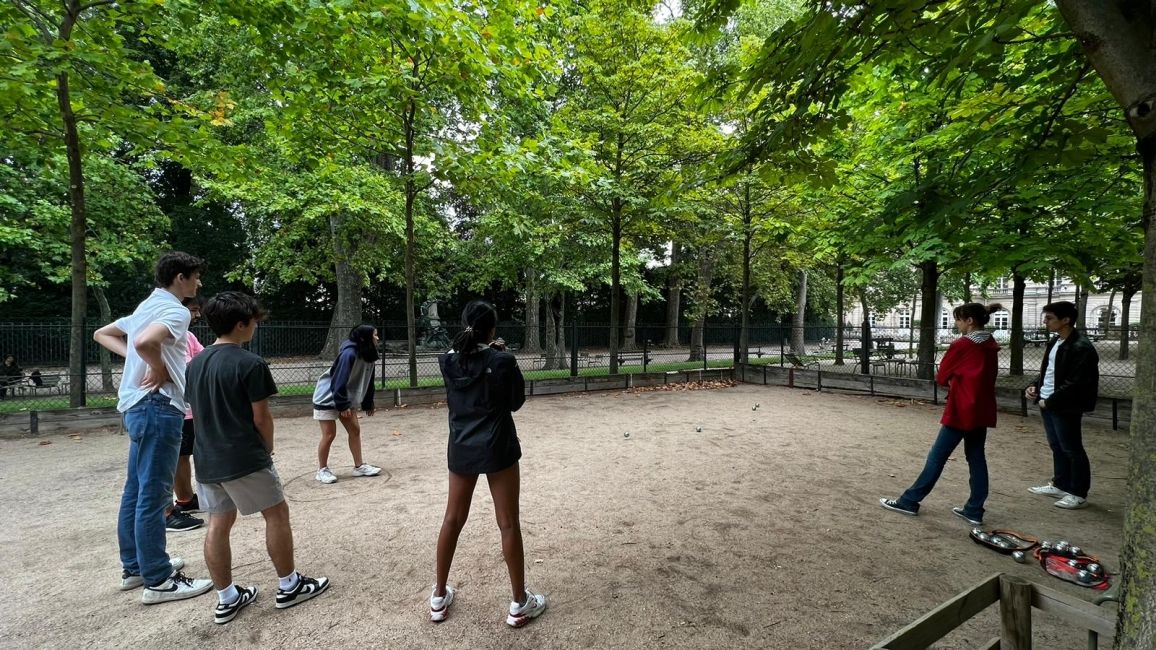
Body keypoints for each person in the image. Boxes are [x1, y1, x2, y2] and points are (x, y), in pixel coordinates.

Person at [186, 291, 330, 624]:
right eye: (252, 321)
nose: (255, 326)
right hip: (243, 456)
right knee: (276, 514)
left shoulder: (195, 364)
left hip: (207, 459)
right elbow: (261, 417)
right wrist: (266, 449)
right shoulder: (250, 363)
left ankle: (227, 597)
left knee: (218, 523)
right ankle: (289, 585)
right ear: (241, 324)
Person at [92, 251, 213, 604]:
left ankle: (135, 567)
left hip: (135, 406)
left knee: (136, 490)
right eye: (195, 276)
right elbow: (145, 343)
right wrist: (156, 365)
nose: (198, 283)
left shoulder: (146, 307)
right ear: (180, 277)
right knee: (154, 494)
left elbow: (104, 334)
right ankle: (159, 579)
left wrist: (138, 358)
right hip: (159, 407)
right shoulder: (174, 310)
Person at [429, 300, 546, 627]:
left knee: (452, 519)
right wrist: (502, 356)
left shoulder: (448, 362)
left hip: (462, 446)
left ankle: (438, 597)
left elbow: (464, 356)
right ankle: (519, 603)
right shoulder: (502, 360)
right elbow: (516, 402)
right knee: (508, 522)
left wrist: (490, 351)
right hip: (497, 446)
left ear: (465, 324)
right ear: (493, 329)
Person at [880, 303, 1002, 526]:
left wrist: (956, 383)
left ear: (969, 321)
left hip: (962, 408)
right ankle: (974, 509)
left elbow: (942, 376)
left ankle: (910, 501)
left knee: (937, 457)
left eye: (958, 319)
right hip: (981, 408)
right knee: (976, 458)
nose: (957, 324)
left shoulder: (962, 345)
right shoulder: (990, 344)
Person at [1025, 301, 1100, 509]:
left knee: (1072, 448)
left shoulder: (1081, 347)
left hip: (1064, 405)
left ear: (1066, 320)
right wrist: (1033, 386)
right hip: (1048, 402)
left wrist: (1049, 401)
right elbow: (1048, 372)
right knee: (1057, 446)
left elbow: (1076, 382)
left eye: (1049, 318)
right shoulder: (1055, 342)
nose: (1045, 322)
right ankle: (1060, 484)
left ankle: (1078, 493)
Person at [312, 324, 382, 484]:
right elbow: (338, 380)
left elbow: (368, 379)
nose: (378, 338)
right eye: (375, 335)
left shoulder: (369, 354)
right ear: (364, 338)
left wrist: (368, 401)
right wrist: (342, 405)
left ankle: (359, 466)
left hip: (345, 397)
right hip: (328, 397)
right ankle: (322, 470)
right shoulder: (349, 354)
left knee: (355, 430)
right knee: (329, 434)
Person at [166, 297, 205, 529]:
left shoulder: (188, 337)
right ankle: (175, 506)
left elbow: (200, 359)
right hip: (175, 409)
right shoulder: (167, 338)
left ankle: (187, 499)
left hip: (191, 410)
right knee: (175, 459)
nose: (197, 315)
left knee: (186, 455)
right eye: (193, 310)